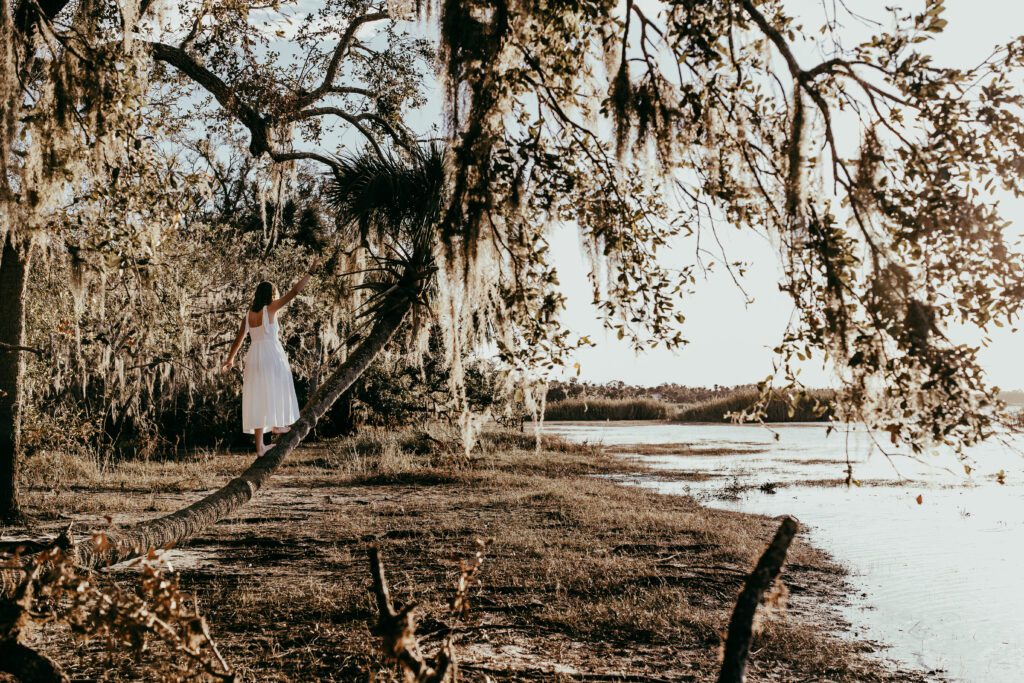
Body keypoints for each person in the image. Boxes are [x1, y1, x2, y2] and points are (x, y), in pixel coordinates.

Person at [222, 259, 318, 456]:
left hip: (254, 357)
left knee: (258, 398)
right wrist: (310, 272)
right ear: (271, 295)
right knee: (278, 386)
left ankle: (260, 447)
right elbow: (294, 293)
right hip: (271, 353)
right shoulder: (271, 308)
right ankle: (277, 425)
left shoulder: (249, 315)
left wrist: (230, 359)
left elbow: (239, 340)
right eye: (275, 294)